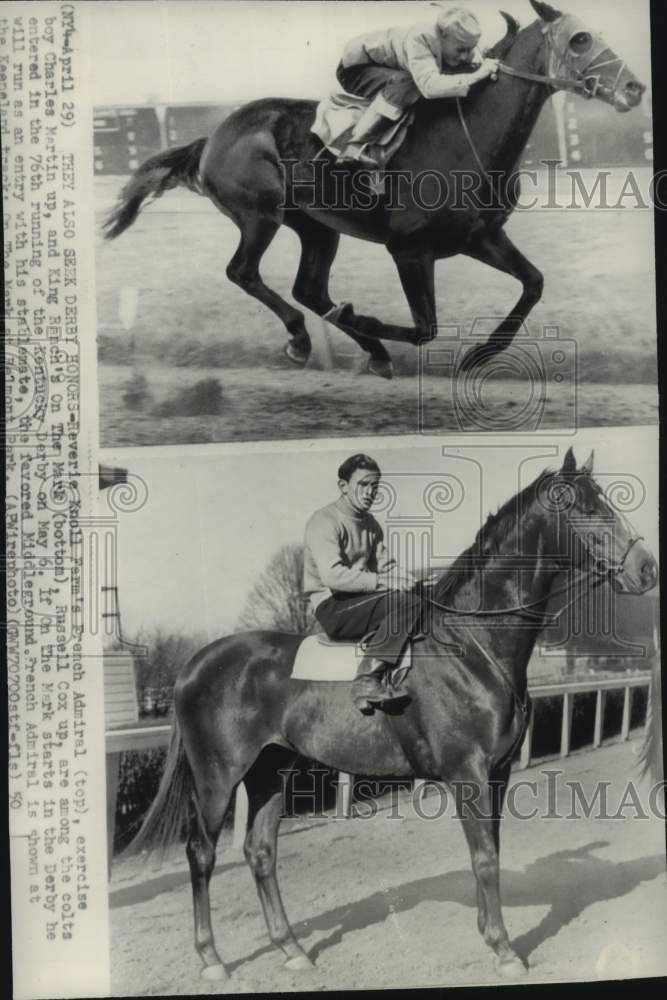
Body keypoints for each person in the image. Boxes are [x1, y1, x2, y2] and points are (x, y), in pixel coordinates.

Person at [303, 454, 425, 715]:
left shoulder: (371, 525)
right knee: (407, 603)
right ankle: (366, 681)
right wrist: (384, 582)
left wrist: (414, 582)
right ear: (343, 486)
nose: (370, 492)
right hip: (333, 606)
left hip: (359, 600)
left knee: (420, 598)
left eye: (375, 486)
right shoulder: (323, 521)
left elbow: (389, 568)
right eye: (363, 485)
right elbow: (333, 576)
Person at [335, 3, 499, 166]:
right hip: (355, 68)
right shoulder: (420, 38)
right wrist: (477, 75)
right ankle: (353, 147)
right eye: (460, 50)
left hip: (389, 64)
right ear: (442, 35)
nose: (465, 56)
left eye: (469, 50)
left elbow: (466, 67)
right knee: (408, 83)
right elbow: (429, 86)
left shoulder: (455, 42)